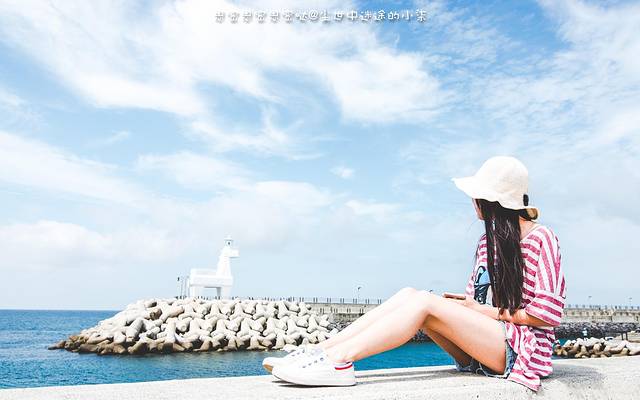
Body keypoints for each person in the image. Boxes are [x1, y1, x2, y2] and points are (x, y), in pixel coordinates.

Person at [263, 155, 566, 392]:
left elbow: (547, 314)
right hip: (487, 346)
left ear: (490, 200)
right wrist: (467, 307)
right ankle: (321, 352)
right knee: (411, 295)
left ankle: (339, 362)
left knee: (424, 303)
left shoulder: (541, 238)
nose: (472, 201)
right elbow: (478, 304)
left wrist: (483, 311)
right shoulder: (487, 243)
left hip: (524, 353)